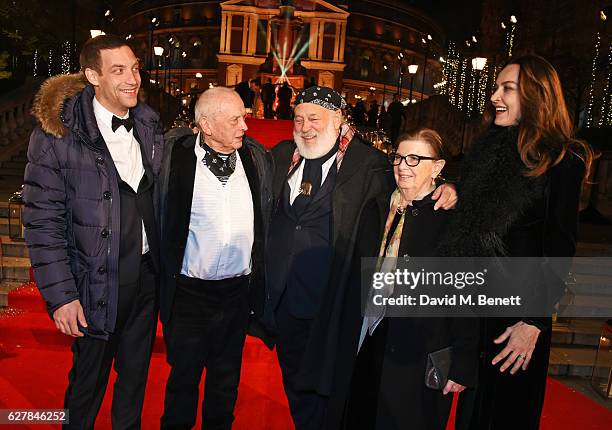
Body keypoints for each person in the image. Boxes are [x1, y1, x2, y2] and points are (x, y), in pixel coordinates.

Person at [264, 86, 458, 430]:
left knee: (329, 395)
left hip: (334, 308)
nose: (305, 126)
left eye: (315, 118)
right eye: (298, 118)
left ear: (338, 119)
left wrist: (452, 187)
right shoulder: (280, 156)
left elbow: (413, 182)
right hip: (284, 306)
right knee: (295, 388)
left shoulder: (370, 166)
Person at [441, 55, 593, 429]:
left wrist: (533, 323)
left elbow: (560, 247)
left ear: (535, 97)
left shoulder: (561, 158)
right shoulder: (487, 151)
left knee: (504, 416)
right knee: (471, 417)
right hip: (475, 308)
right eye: (497, 87)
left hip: (517, 321)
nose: (494, 96)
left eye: (507, 88)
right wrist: (454, 189)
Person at [23, 34, 163, 429]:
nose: (132, 78)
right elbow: (41, 220)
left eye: (134, 68)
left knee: (134, 385)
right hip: (95, 284)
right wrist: (62, 295)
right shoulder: (57, 137)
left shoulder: (149, 124)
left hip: (146, 280)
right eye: (118, 70)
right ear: (93, 75)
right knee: (86, 388)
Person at [332, 129, 479, 430]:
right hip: (368, 337)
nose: (403, 165)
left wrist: (463, 362)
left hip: (419, 348)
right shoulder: (381, 205)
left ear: (437, 167)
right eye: (399, 157)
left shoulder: (451, 220)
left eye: (415, 158)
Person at [159, 87, 273, 430]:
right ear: (206, 125)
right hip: (189, 295)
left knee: (226, 386)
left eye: (244, 117)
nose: (245, 126)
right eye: (236, 119)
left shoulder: (257, 159)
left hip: (236, 296)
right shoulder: (172, 157)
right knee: (183, 382)